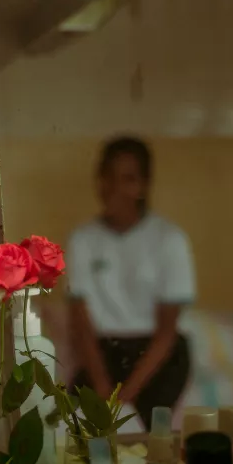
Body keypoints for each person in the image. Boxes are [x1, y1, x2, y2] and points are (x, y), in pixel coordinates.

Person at [67, 136, 195, 429]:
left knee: (150, 431)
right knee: (80, 423)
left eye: (128, 178)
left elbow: (166, 332)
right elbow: (81, 322)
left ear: (144, 185)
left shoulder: (169, 240)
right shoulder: (83, 240)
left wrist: (127, 395)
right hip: (106, 352)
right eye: (107, 176)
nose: (114, 187)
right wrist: (102, 387)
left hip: (157, 354)